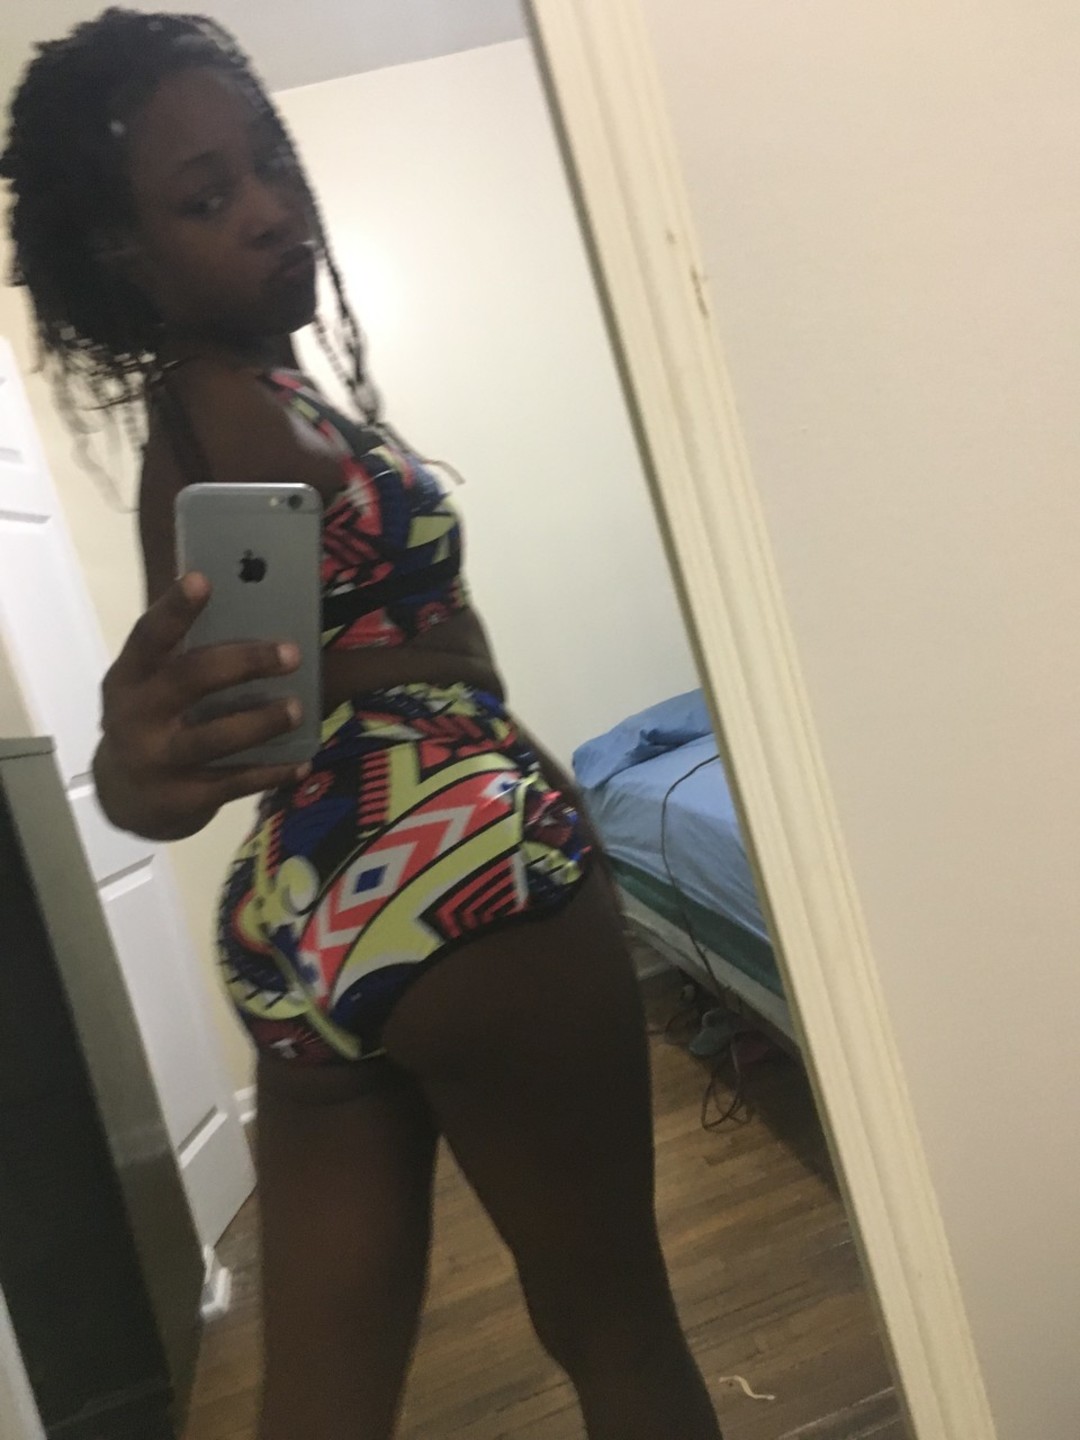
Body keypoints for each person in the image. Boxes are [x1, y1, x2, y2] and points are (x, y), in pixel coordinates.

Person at [2, 11, 723, 1439]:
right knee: (618, 1335)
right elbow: (245, 709)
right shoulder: (221, 410)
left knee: (318, 1409)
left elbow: (264, 705)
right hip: (458, 866)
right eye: (207, 198)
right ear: (127, 259)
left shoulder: (237, 406)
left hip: (305, 915)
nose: (270, 208)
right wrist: (439, 683)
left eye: (270, 162)